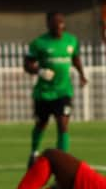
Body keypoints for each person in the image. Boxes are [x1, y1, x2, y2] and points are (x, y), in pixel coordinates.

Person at [24, 11, 88, 167]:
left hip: (63, 91)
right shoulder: (39, 43)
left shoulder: (71, 41)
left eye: (61, 22)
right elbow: (27, 64)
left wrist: (81, 74)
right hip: (44, 93)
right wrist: (39, 71)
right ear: (49, 24)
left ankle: (62, 160)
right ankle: (34, 152)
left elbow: (76, 58)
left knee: (63, 124)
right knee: (41, 124)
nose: (59, 25)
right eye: (56, 22)